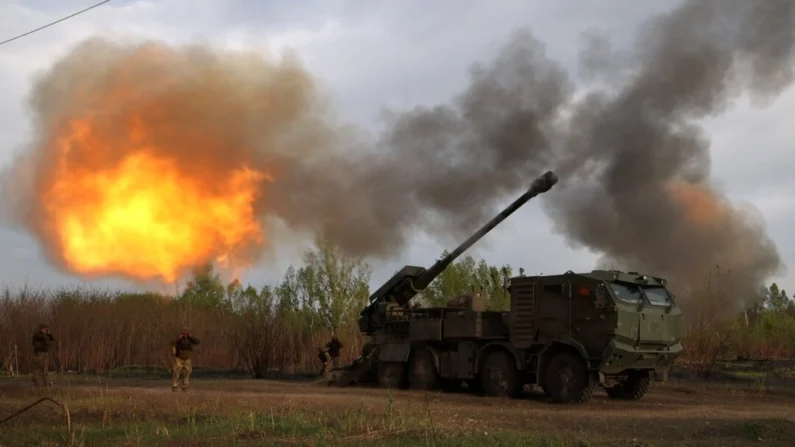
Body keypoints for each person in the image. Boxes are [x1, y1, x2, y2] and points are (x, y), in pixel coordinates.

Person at [171, 326, 200, 392]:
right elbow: (172, 342)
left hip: (187, 359)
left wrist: (191, 336)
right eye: (183, 333)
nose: (185, 335)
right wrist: (179, 337)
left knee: (187, 373)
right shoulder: (178, 339)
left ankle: (185, 388)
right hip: (179, 359)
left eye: (186, 333)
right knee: (176, 373)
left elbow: (198, 341)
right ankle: (174, 387)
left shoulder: (190, 339)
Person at [31, 323, 55, 388]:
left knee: (45, 369)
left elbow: (52, 338)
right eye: (45, 329)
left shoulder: (46, 335)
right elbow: (41, 337)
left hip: (45, 353)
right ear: (41, 329)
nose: (46, 330)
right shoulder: (37, 334)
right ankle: (35, 384)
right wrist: (44, 333)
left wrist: (49, 333)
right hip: (39, 353)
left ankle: (47, 384)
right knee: (38, 369)